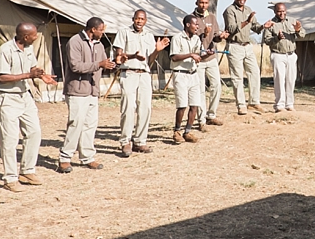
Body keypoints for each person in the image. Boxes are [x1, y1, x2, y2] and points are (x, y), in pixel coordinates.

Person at [0, 22, 57, 193]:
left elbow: (32, 68)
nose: (36, 37)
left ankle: (27, 171)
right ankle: (10, 178)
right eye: (34, 35)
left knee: (34, 132)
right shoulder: (6, 50)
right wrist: (29, 75)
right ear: (25, 37)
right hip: (8, 98)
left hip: (25, 96)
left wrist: (43, 76)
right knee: (10, 139)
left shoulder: (27, 48)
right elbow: (2, 77)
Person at [57, 17, 115, 173]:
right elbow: (75, 66)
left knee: (90, 125)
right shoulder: (75, 42)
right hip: (77, 91)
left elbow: (104, 64)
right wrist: (99, 64)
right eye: (101, 30)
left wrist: (116, 63)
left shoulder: (99, 45)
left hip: (92, 91)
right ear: (93, 29)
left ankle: (87, 157)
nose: (103, 33)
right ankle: (65, 158)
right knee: (75, 124)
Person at [113, 10, 170, 157]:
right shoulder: (124, 32)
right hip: (129, 73)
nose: (139, 21)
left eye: (142, 19)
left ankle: (140, 141)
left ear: (146, 21)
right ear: (133, 19)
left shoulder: (149, 36)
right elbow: (118, 56)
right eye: (137, 19)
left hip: (144, 75)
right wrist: (131, 56)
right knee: (128, 108)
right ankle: (126, 141)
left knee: (145, 108)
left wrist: (157, 51)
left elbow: (149, 61)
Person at [223, 0, 273, 115]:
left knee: (255, 72)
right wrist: (246, 21)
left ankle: (254, 102)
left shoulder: (248, 10)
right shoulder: (229, 11)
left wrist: (263, 26)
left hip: (247, 46)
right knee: (237, 77)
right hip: (235, 46)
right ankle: (241, 105)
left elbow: (255, 27)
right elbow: (232, 28)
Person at [169, 14, 216, 143]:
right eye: (195, 24)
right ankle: (177, 131)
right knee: (182, 105)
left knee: (195, 105)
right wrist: (190, 55)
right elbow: (174, 57)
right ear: (188, 25)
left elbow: (199, 55)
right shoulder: (177, 38)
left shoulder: (196, 39)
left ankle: (188, 132)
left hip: (193, 74)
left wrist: (207, 53)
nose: (197, 26)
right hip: (180, 74)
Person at [261, 3, 305, 112]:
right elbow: (267, 40)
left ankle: (289, 104)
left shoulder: (292, 21)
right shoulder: (271, 23)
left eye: (283, 11)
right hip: (277, 55)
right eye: (279, 11)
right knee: (279, 79)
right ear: (275, 12)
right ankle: (279, 105)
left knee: (291, 80)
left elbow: (303, 35)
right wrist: (277, 38)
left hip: (291, 54)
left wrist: (298, 30)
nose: (282, 13)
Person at [193, 0, 229, 126]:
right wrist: (204, 34)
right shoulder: (192, 18)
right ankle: (201, 119)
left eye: (206, 3)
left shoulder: (212, 17)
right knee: (200, 89)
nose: (203, 5)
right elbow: (192, 38)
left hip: (211, 58)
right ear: (196, 3)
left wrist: (221, 37)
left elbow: (215, 38)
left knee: (216, 85)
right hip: (199, 60)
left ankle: (211, 115)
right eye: (201, 3)